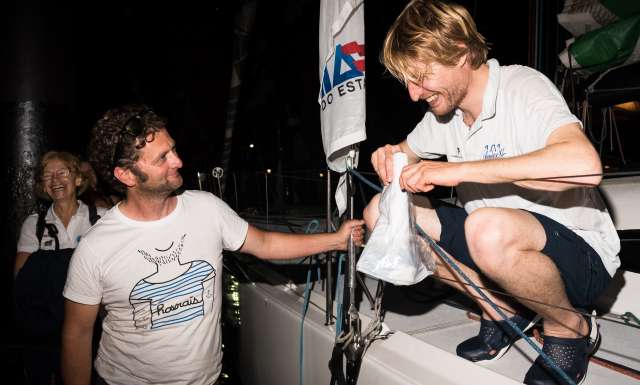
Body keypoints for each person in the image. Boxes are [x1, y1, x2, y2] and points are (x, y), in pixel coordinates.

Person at [363, 1, 620, 384]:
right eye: (408, 82)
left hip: (581, 258)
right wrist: (387, 154)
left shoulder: (522, 87)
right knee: (378, 213)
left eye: (421, 77)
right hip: (493, 247)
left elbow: (585, 165)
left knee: (486, 228)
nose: (414, 94)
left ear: (461, 54)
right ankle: (501, 309)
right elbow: (405, 150)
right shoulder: (443, 115)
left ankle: (570, 328)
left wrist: (457, 170)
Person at [61, 105, 365, 385]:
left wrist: (336, 240)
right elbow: (77, 334)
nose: (178, 161)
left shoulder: (207, 208)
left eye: (173, 150)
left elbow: (265, 243)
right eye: (162, 158)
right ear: (126, 174)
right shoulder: (96, 248)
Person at [15, 151, 107, 385]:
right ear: (43, 186)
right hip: (45, 332)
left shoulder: (102, 219)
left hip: (93, 326)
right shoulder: (34, 224)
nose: (55, 180)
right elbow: (20, 277)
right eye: (48, 175)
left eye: (62, 172)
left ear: (78, 179)